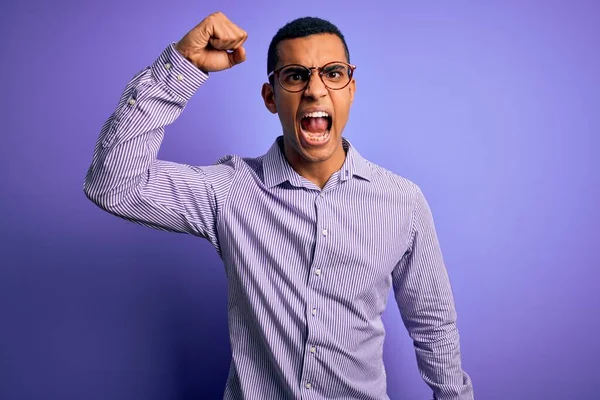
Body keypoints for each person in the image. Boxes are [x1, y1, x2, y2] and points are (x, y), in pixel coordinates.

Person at [83, 11, 474, 400]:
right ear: (271, 97)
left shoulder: (402, 201)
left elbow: (433, 324)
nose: (315, 90)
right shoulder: (231, 189)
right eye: (296, 75)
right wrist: (182, 65)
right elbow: (113, 184)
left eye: (333, 73)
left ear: (351, 90)